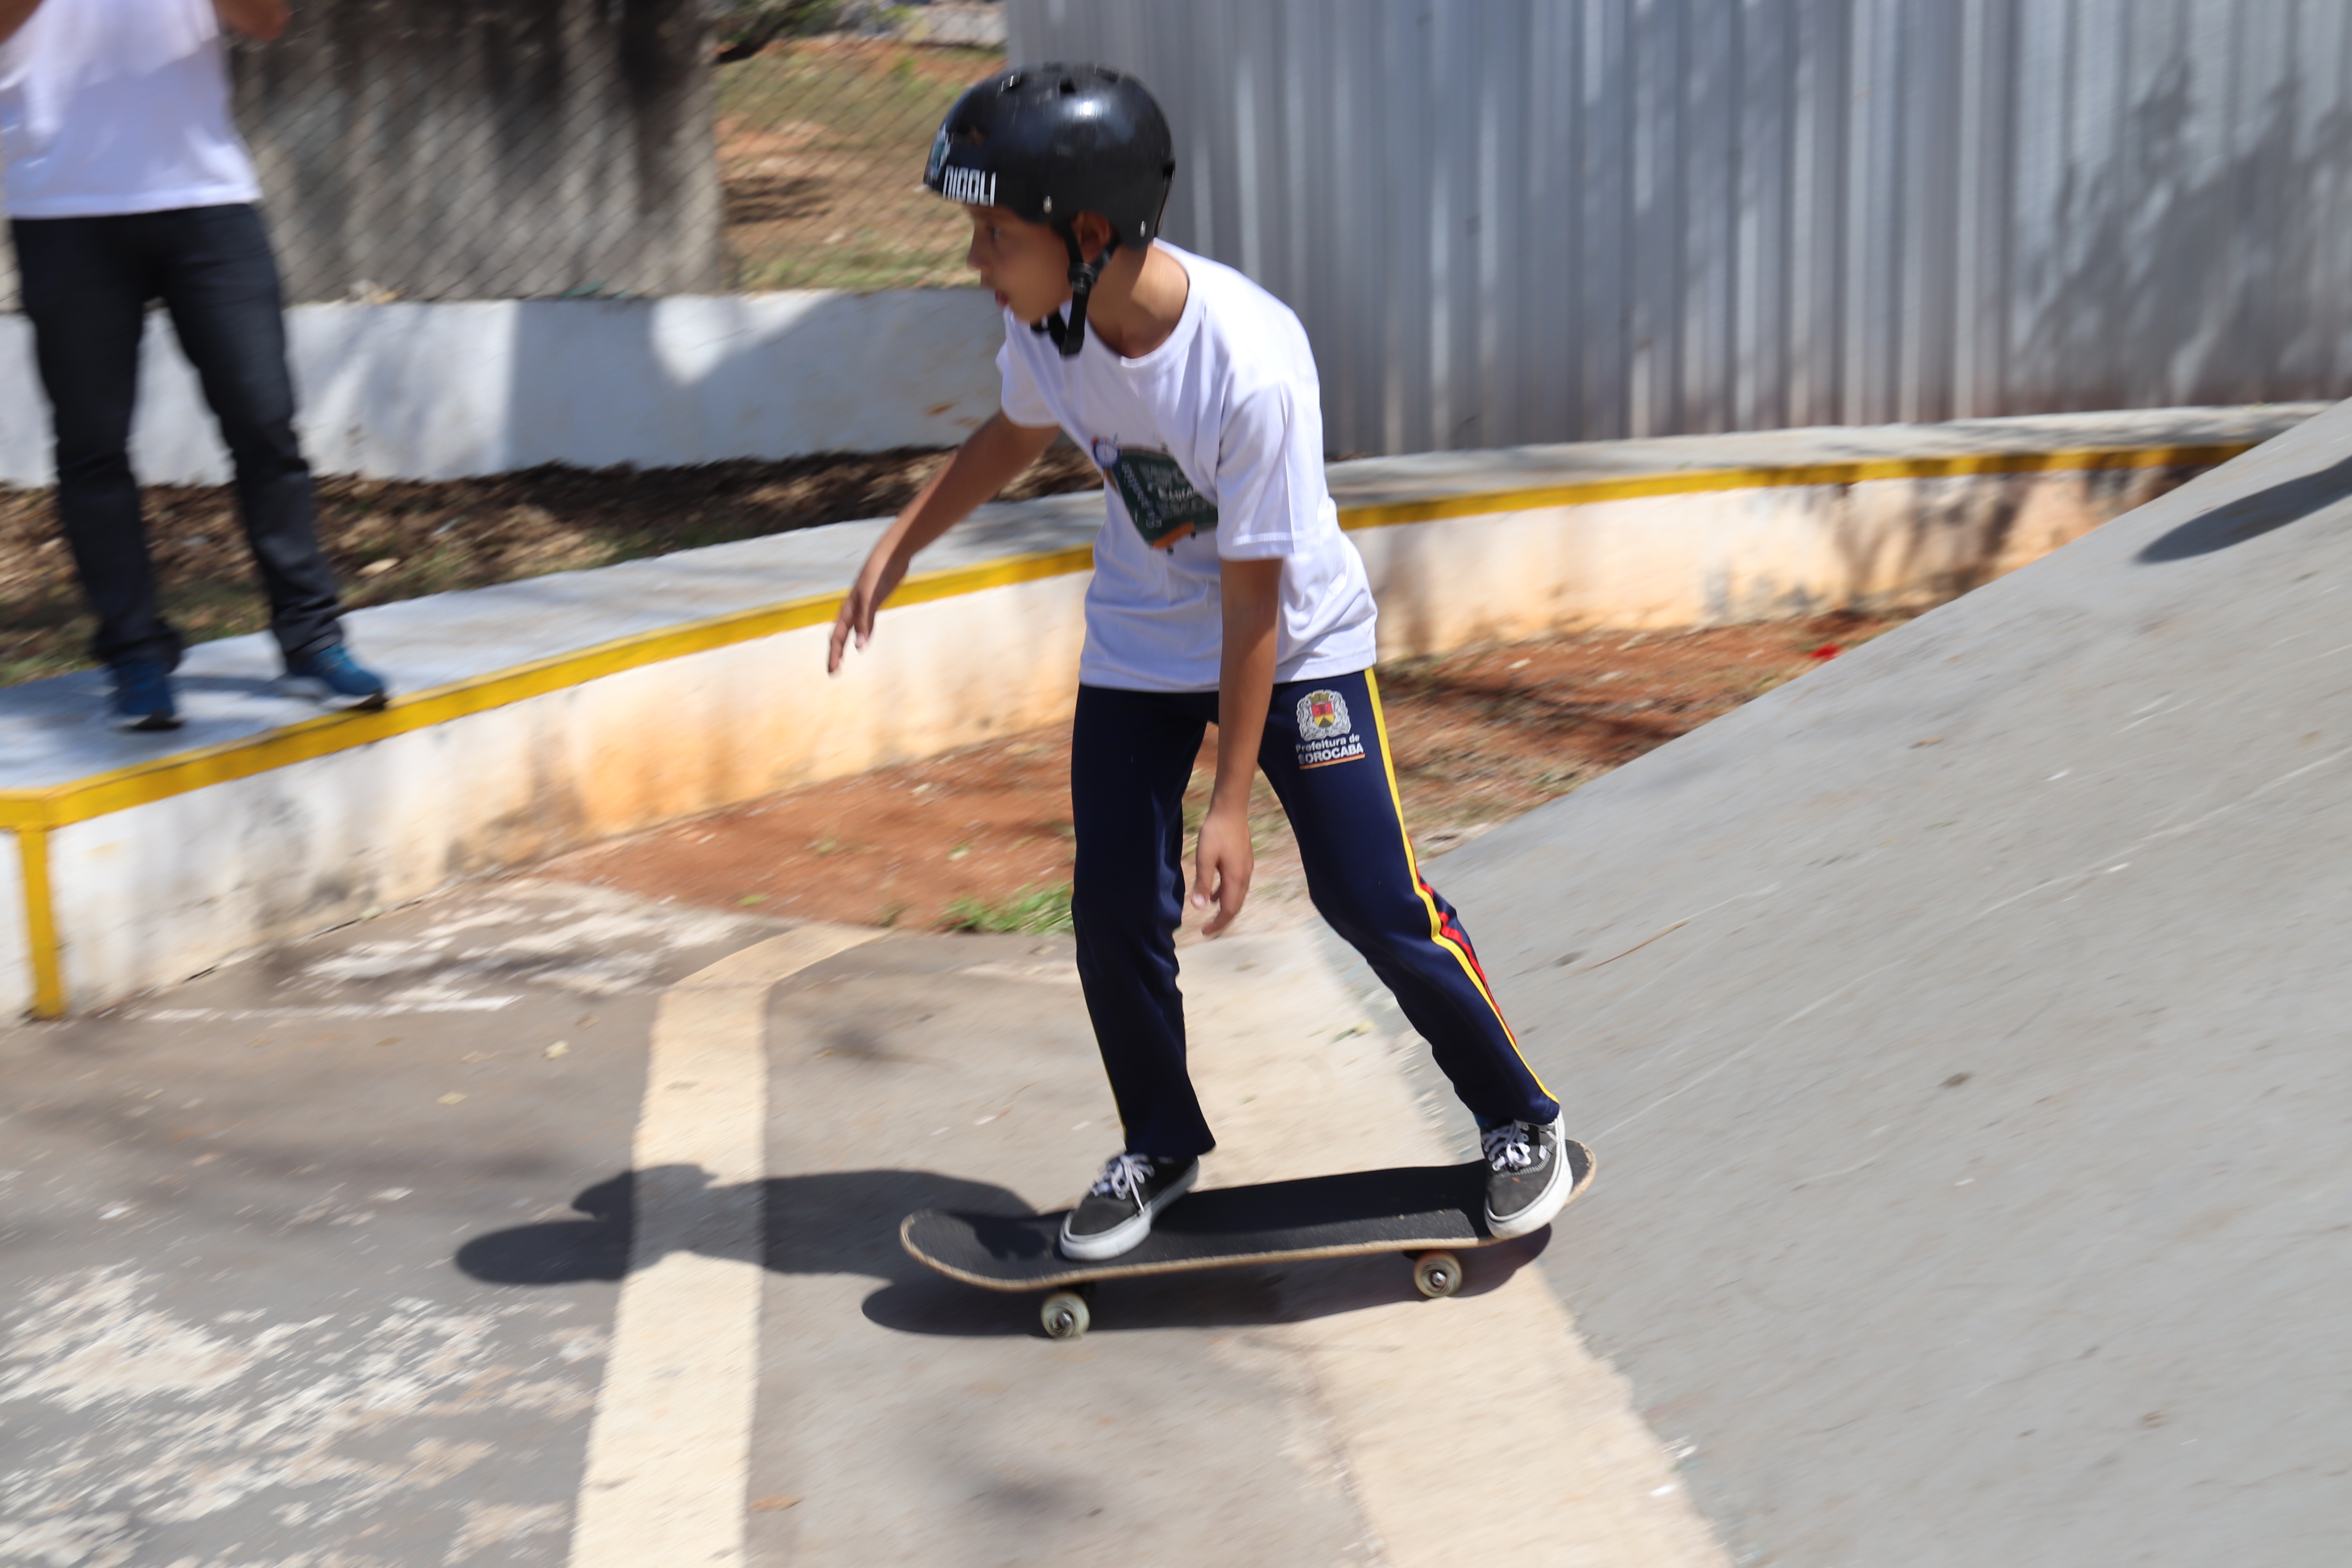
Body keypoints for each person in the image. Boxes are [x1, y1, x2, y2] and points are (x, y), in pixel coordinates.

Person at [829, 63, 1576, 1261]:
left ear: (1089, 236)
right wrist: (901, 541)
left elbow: (1254, 597)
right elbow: (1016, 428)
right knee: (1115, 905)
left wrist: (1230, 801)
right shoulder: (1047, 323)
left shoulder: (1249, 364)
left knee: (1369, 897)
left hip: (1294, 644)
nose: (975, 263)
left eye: (994, 235)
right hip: (1141, 640)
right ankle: (1160, 1142)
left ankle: (1518, 1117)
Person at [0, 0, 387, 730]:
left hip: (206, 201)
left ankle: (312, 640)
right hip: (61, 208)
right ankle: (135, 657)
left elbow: (267, 21)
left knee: (264, 423)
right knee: (92, 447)